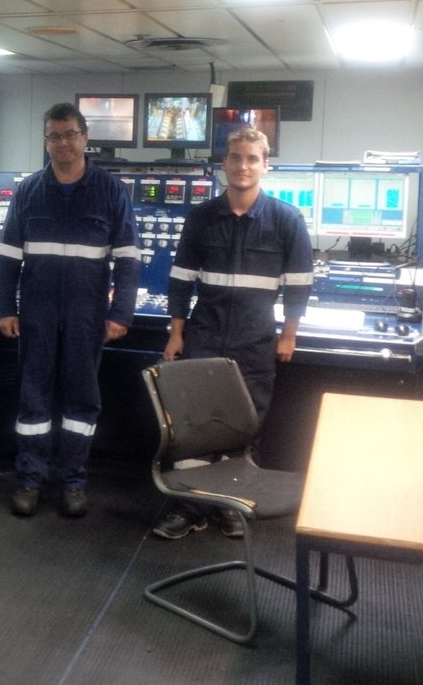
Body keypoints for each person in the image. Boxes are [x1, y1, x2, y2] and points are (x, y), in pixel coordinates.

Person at [150, 125, 313, 540]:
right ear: (224, 164)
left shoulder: (286, 220)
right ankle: (190, 507)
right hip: (204, 334)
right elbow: (181, 281)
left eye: (252, 159)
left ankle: (234, 507)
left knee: (246, 425)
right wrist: (176, 333)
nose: (243, 166)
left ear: (265, 166)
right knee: (195, 425)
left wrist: (288, 335)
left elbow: (299, 284)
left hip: (255, 339)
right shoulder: (202, 218)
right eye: (236, 158)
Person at [0, 102, 140, 519]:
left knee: (81, 400)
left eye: (70, 134)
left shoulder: (111, 191)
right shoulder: (28, 191)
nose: (63, 142)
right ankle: (30, 480)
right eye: (55, 135)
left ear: (85, 138)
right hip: (36, 313)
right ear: (47, 141)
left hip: (86, 314)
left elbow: (128, 259)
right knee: (33, 401)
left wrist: (121, 314)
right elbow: (7, 258)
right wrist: (5, 306)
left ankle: (74, 481)